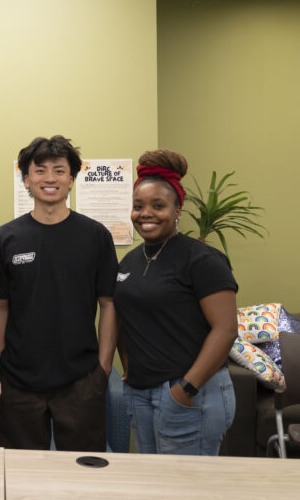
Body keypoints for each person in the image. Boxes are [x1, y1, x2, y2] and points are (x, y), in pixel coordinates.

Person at [0, 135, 118, 451]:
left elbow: (108, 304)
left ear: (72, 179)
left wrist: (103, 370)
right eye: (40, 171)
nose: (50, 178)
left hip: (80, 382)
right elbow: (0, 308)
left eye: (59, 171)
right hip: (18, 383)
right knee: (20, 477)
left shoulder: (96, 236)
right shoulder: (6, 238)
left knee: (83, 477)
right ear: (26, 179)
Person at [113, 149, 238, 455]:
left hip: (192, 394)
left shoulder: (202, 259)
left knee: (186, 487)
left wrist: (186, 389)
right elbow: (124, 320)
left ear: (178, 209)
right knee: (154, 485)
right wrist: (130, 371)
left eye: (158, 206)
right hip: (140, 394)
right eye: (138, 206)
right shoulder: (129, 261)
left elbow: (225, 330)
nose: (146, 214)